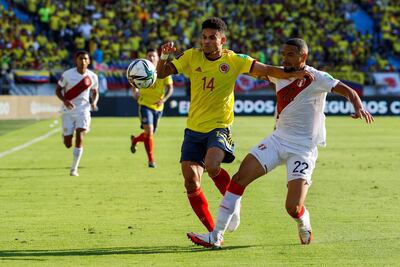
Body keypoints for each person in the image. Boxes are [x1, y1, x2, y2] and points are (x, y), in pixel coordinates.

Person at [186, 38, 374, 248]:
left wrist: (358, 107)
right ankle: (216, 235)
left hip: (302, 149)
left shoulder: (317, 77)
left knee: (292, 207)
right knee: (239, 179)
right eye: (283, 54)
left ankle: (303, 221)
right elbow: (252, 69)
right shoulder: (279, 74)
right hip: (277, 140)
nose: (284, 58)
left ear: (303, 57)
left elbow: (349, 91)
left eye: (290, 55)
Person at [157, 18, 313, 233]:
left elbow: (266, 68)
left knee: (212, 165)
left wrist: (292, 73)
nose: (207, 41)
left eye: (212, 37)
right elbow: (161, 73)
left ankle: (233, 202)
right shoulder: (192, 56)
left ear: (223, 40)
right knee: (191, 181)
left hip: (219, 126)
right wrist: (164, 56)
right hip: (193, 129)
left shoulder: (234, 60)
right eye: (204, 37)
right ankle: (213, 231)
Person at [55, 50, 99, 176]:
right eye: (80, 58)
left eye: (85, 58)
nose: (83, 61)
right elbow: (58, 90)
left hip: (84, 110)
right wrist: (65, 101)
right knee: (68, 144)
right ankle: (66, 136)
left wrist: (94, 102)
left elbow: (95, 92)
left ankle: (74, 169)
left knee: (80, 135)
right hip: (68, 111)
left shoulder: (93, 77)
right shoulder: (67, 75)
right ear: (76, 60)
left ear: (89, 61)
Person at [130, 48, 174, 168]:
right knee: (149, 132)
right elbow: (134, 83)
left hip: (158, 107)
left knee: (149, 134)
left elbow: (170, 88)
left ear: (158, 58)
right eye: (149, 56)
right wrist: (135, 92)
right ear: (146, 57)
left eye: (154, 56)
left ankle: (135, 140)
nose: (152, 58)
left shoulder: (163, 71)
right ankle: (151, 160)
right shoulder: (141, 69)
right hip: (144, 104)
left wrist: (163, 99)